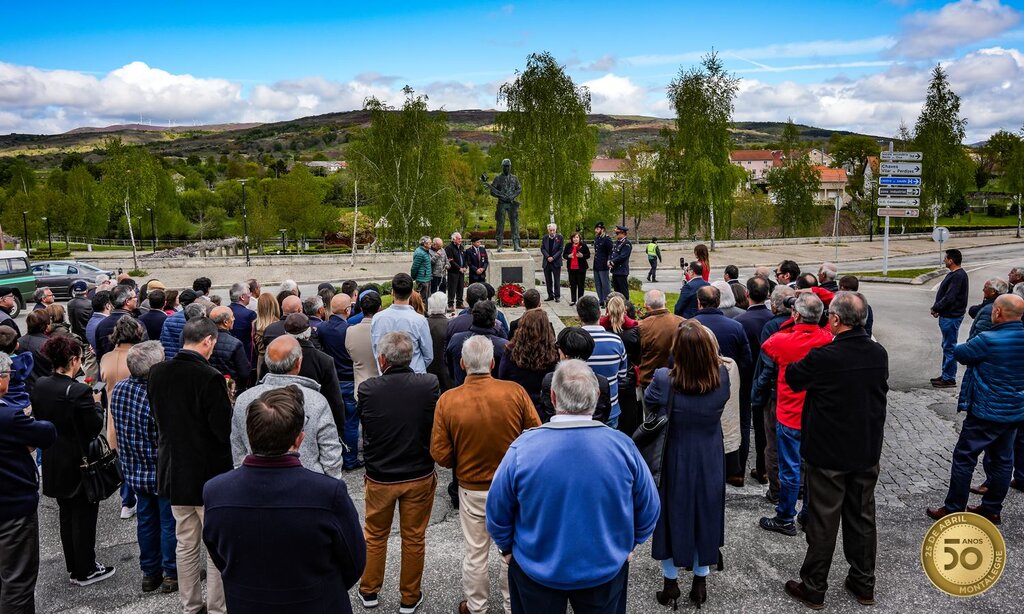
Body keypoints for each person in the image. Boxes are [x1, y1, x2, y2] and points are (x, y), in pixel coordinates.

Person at [487, 360, 660, 614]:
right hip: (603, 568)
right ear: (598, 396)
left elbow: (497, 510)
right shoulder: (622, 447)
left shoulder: (523, 449)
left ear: (553, 396)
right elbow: (649, 507)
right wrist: (630, 544)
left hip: (536, 569)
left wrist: (508, 548)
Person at [203, 386, 366, 614]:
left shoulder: (215, 491)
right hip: (318, 602)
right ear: (299, 439)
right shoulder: (328, 492)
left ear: (250, 434)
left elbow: (220, 555)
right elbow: (354, 560)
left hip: (248, 603)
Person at [781, 291, 888, 609]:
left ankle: (814, 586)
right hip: (865, 448)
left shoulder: (824, 357)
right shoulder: (878, 354)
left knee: (823, 520)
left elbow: (793, 377)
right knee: (862, 516)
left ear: (837, 320)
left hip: (828, 452)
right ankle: (863, 583)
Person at [431, 335, 541, 614]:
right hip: (512, 485)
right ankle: (511, 604)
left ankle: (477, 606)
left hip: (472, 487)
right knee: (512, 550)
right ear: (493, 363)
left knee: (476, 550)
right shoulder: (514, 392)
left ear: (462, 363)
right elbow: (536, 434)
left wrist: (462, 457)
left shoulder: (448, 400)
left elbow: (440, 454)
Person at [644, 321, 732, 609]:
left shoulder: (663, 379)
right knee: (705, 513)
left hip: (675, 453)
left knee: (672, 515)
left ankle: (670, 584)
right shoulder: (721, 377)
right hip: (708, 455)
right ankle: (700, 580)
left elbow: (649, 401)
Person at [150, 317, 233, 614]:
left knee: (185, 544)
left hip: (174, 470)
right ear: (208, 341)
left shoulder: (157, 373)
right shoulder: (209, 377)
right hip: (208, 474)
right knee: (214, 546)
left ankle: (190, 605)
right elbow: (223, 432)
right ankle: (216, 607)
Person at [357, 331, 440, 613]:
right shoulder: (428, 384)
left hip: (381, 474)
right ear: (411, 357)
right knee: (414, 536)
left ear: (382, 359)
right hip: (418, 472)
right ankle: (409, 595)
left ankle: (369, 590)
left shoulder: (368, 389)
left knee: (375, 535)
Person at [927, 294, 1024, 526]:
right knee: (1003, 460)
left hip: (985, 410)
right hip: (1014, 411)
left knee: (964, 457)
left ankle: (953, 508)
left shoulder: (988, 339)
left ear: (998, 312)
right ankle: (991, 510)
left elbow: (960, 353)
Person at [32, 336, 115, 586]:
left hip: (53, 457)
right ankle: (86, 568)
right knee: (84, 516)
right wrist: (98, 405)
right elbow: (93, 426)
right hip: (79, 459)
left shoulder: (41, 385)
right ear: (73, 360)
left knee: (67, 515)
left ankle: (75, 564)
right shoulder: (78, 391)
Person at [758, 294, 832, 537]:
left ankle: (785, 516)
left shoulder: (783, 341)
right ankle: (809, 515)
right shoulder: (827, 339)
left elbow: (767, 345)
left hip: (789, 414)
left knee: (789, 468)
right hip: (817, 416)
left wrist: (793, 321)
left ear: (796, 315)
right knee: (811, 468)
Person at [109, 341, 179, 594]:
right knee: (168, 522)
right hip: (159, 469)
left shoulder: (119, 389)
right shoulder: (158, 395)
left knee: (146, 521)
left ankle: (150, 572)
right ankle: (171, 571)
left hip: (134, 468)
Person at [232, 336, 344, 476]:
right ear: (298, 363)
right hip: (308, 481)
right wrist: (331, 484)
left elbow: (238, 449)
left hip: (257, 480)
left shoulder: (244, 399)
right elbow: (330, 452)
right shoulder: (316, 400)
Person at [0, 350, 56, 611]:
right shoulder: (9, 416)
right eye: (8, 375)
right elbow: (46, 433)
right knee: (18, 581)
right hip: (13, 506)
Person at [693, 285, 752, 485]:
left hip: (697, 386)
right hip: (730, 384)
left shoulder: (690, 326)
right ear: (718, 302)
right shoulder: (735, 326)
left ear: (699, 303)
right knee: (738, 424)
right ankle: (736, 471)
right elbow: (746, 360)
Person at [735, 277, 775, 485]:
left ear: (747, 295)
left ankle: (739, 469)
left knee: (744, 423)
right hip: (768, 377)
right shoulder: (775, 320)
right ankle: (763, 469)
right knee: (763, 425)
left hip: (746, 377)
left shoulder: (740, 322)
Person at [283, 313, 346, 435]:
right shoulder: (324, 360)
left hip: (282, 416)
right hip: (315, 419)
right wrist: (339, 428)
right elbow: (334, 399)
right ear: (309, 331)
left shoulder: (276, 356)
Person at [317, 293, 361, 468]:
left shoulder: (322, 328)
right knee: (351, 422)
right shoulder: (349, 330)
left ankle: (333, 457)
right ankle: (350, 459)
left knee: (333, 421)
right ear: (347, 310)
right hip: (349, 379)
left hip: (331, 380)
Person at [538, 327, 613, 424]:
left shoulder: (550, 380)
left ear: (565, 355)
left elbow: (546, 412)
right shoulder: (601, 382)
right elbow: (603, 413)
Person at [577, 296, 627, 429]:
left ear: (579, 316)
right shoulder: (616, 341)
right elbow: (622, 375)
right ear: (600, 313)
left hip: (580, 408)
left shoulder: (574, 342)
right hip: (610, 407)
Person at [497, 309, 559, 413]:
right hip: (542, 405)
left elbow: (502, 376)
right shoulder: (553, 352)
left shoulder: (510, 351)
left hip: (517, 403)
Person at [372, 273, 433, 374]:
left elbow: (376, 351)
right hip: (414, 375)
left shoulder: (378, 318)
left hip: (389, 376)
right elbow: (428, 355)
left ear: (392, 292)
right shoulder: (419, 320)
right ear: (411, 293)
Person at [603, 294, 642, 435]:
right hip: (628, 377)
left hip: (607, 379)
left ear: (607, 310)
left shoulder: (603, 330)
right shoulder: (633, 330)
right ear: (625, 310)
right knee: (628, 418)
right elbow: (638, 357)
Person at [930, 249, 969, 388]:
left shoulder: (958, 276)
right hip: (948, 315)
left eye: (945, 258)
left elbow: (950, 297)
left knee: (949, 347)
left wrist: (936, 308)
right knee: (946, 345)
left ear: (951, 260)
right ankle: (946, 374)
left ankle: (949, 378)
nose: (944, 260)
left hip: (951, 317)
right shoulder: (955, 275)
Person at [446, 301, 508, 386]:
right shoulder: (503, 346)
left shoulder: (456, 340)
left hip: (462, 390)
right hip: (493, 393)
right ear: (494, 322)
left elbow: (449, 366)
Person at [638, 290, 684, 388]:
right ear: (665, 303)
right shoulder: (682, 322)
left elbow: (637, 355)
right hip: (679, 380)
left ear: (646, 306)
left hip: (649, 380)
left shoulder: (641, 327)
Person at [96, 285, 146, 362]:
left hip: (108, 369)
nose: (137, 299)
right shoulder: (136, 324)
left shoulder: (101, 325)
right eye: (135, 297)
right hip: (131, 369)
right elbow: (145, 352)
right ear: (127, 301)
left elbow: (99, 355)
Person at [347, 291, 382, 399]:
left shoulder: (351, 331)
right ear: (380, 308)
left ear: (361, 309)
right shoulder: (384, 330)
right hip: (381, 386)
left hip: (360, 388)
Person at [207, 306, 251, 389]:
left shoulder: (204, 340)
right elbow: (244, 373)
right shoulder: (236, 344)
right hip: (230, 387)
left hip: (209, 385)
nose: (234, 319)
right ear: (226, 322)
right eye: (232, 316)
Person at [423, 292, 453, 394]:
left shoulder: (423, 323)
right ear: (445, 307)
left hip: (426, 371)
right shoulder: (451, 324)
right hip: (446, 372)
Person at [159, 288, 198, 359]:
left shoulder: (169, 319)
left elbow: (163, 339)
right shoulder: (197, 320)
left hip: (170, 357)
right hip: (189, 359)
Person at [19, 311, 52, 388]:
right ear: (46, 325)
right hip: (45, 386)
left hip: (24, 386)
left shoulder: (18, 342)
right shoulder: (49, 344)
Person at [227, 282, 256, 367]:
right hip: (245, 355)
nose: (250, 296)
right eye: (248, 293)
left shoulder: (224, 310)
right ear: (242, 297)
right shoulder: (250, 314)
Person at [252, 292, 280, 375]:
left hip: (261, 361)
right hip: (276, 359)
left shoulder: (255, 324)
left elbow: (254, 346)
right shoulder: (278, 323)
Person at [563, 231, 590, 305]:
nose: (575, 239)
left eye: (577, 237)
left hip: (581, 268)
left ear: (579, 238)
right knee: (573, 284)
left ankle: (580, 300)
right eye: (574, 237)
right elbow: (564, 255)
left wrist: (582, 256)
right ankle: (573, 299)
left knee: (581, 284)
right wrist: (569, 256)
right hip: (571, 268)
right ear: (572, 239)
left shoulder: (583, 245)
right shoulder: (568, 245)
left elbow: (588, 255)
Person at [541, 223, 564, 302]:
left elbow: (560, 249)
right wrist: (548, 257)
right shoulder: (545, 238)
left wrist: (553, 257)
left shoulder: (560, 238)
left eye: (553, 230)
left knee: (556, 280)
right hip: (547, 262)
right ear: (548, 230)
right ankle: (550, 295)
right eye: (550, 230)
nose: (552, 232)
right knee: (548, 280)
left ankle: (557, 296)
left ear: (556, 230)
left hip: (556, 262)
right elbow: (542, 248)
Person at [593, 221, 614, 307]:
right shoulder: (597, 238)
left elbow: (610, 251)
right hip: (597, 264)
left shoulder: (607, 239)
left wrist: (609, 260)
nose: (596, 230)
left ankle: (607, 300)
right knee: (598, 284)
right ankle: (601, 300)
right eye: (596, 229)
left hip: (603, 265)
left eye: (598, 229)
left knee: (605, 284)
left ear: (602, 229)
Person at [446, 232, 469, 309]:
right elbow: (451, 261)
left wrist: (465, 267)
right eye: (459, 238)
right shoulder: (449, 248)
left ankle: (459, 303)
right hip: (453, 272)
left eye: (461, 238)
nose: (460, 240)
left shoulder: (461, 247)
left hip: (461, 272)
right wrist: (459, 268)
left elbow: (465, 258)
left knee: (460, 288)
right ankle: (450, 304)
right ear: (453, 239)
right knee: (452, 288)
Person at [609, 225, 633, 296]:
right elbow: (612, 253)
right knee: (617, 291)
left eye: (617, 233)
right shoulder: (617, 242)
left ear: (623, 233)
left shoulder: (626, 243)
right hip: (615, 270)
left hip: (621, 271)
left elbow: (623, 256)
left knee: (623, 291)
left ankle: (625, 305)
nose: (616, 235)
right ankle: (618, 305)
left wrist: (613, 261)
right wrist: (609, 260)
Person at [411, 236, 434, 302]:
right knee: (423, 299)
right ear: (425, 244)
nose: (431, 244)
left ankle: (426, 311)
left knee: (427, 298)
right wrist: (414, 277)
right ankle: (422, 312)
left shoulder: (425, 251)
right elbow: (415, 267)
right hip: (422, 279)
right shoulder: (420, 253)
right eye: (430, 243)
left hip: (427, 278)